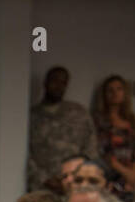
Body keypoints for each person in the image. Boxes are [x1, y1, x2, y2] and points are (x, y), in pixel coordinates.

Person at [27, 65, 98, 193]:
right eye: (54, 81)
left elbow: (91, 151)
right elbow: (25, 153)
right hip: (41, 188)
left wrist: (74, 178)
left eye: (63, 82)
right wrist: (44, 179)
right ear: (46, 82)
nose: (58, 86)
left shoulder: (79, 113)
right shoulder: (31, 116)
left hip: (74, 188)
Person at [92, 75, 135, 202]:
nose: (115, 93)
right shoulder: (98, 120)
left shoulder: (131, 119)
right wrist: (126, 173)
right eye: (110, 90)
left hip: (128, 179)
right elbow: (103, 150)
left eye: (119, 89)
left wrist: (133, 175)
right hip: (108, 175)